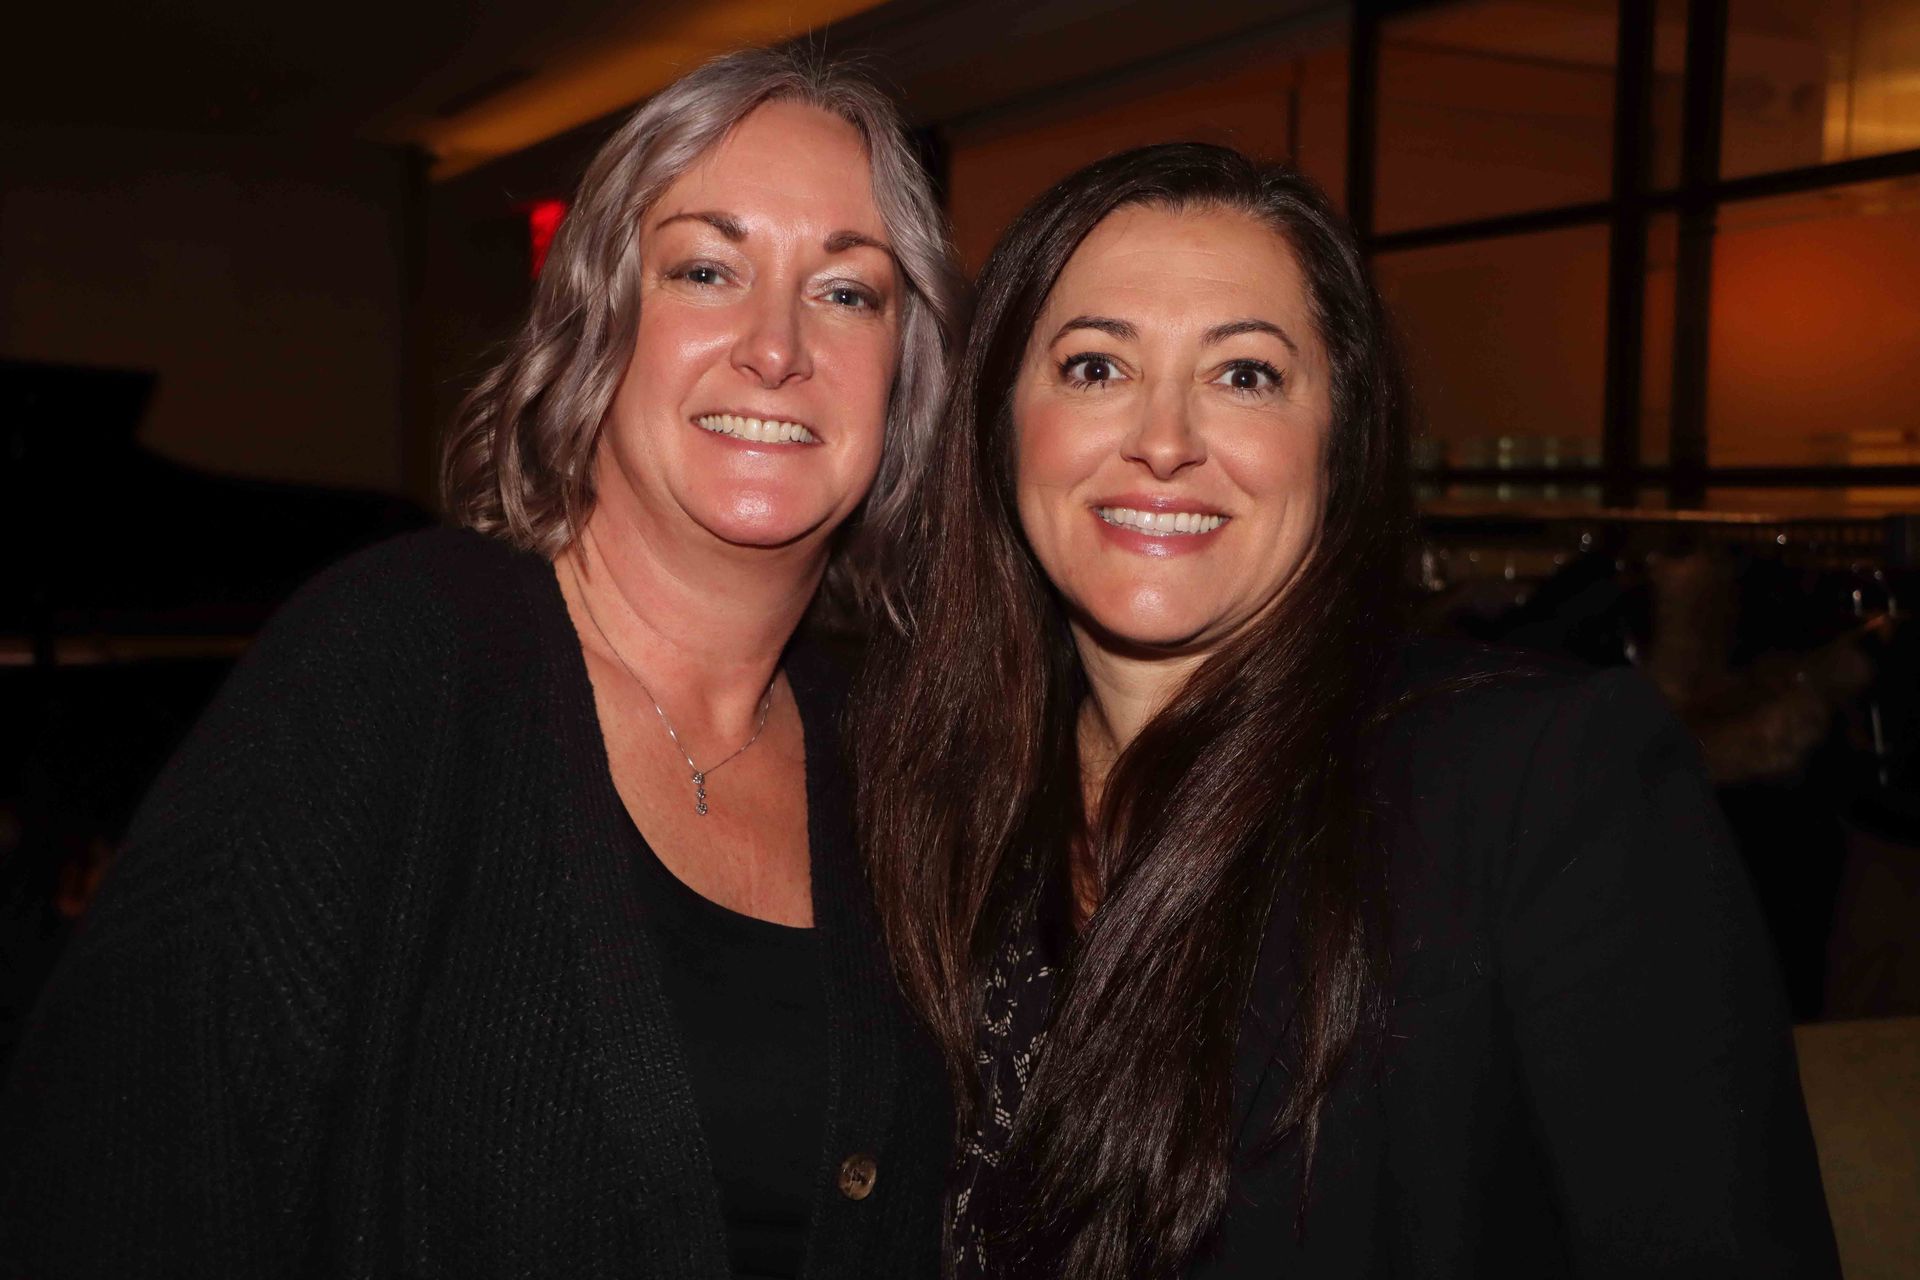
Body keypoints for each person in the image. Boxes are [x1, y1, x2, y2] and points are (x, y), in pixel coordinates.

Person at [2, 48, 961, 1279]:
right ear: (601, 325)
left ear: (908, 372)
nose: (775, 347)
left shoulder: (899, 761)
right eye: (707, 270)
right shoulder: (398, 659)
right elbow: (108, 1190)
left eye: (847, 291)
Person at [854, 143, 1840, 1279]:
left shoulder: (1538, 783)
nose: (1164, 438)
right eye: (1093, 367)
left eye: (1246, 375)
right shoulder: (920, 791)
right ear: (998, 424)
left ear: (1342, 436)